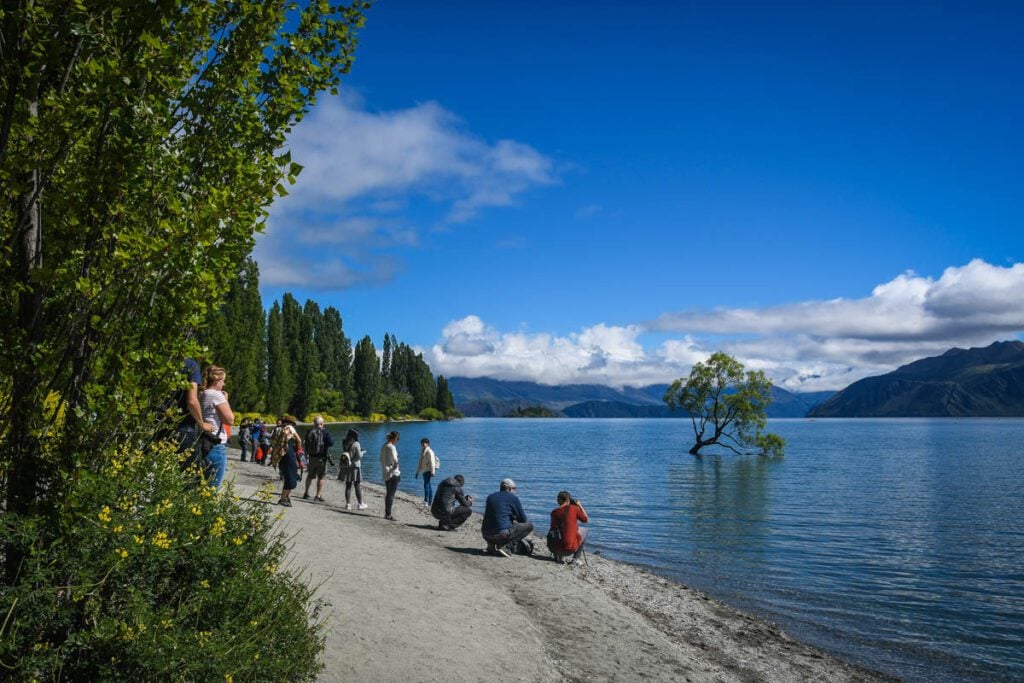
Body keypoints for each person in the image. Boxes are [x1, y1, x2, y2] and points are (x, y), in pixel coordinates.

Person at [172, 358, 214, 468]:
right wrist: (201, 423)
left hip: (156, 425)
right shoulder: (190, 364)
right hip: (183, 427)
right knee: (190, 476)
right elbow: (191, 400)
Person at [199, 365, 235, 489]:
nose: (224, 384)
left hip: (202, 441)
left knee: (200, 484)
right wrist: (226, 400)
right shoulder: (216, 395)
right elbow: (230, 420)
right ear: (216, 380)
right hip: (216, 443)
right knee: (212, 487)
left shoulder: (201, 393)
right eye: (223, 381)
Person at [481, 478, 533, 557]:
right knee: (529, 526)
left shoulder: (490, 497)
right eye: (514, 489)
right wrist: (513, 517)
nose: (515, 491)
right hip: (500, 535)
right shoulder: (513, 498)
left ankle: (491, 545)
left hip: (486, 534)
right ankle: (506, 547)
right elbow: (523, 519)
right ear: (509, 489)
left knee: (497, 520)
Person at [547, 491, 590, 564]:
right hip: (568, 550)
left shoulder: (554, 512)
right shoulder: (574, 509)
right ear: (568, 500)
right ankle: (575, 559)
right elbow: (586, 520)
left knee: (560, 531)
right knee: (585, 530)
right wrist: (579, 505)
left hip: (552, 548)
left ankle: (558, 556)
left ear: (558, 500)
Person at [302, 416, 334, 502]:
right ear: (322, 424)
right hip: (322, 459)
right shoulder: (326, 432)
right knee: (321, 477)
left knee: (310, 475)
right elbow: (331, 443)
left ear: (314, 424)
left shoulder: (310, 432)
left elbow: (306, 445)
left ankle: (306, 493)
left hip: (311, 458)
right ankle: (318, 495)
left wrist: (306, 457)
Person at [273, 415, 302, 506]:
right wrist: (299, 449)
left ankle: (286, 497)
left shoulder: (277, 429)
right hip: (289, 453)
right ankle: (283, 499)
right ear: (291, 423)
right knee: (291, 476)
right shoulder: (289, 428)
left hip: (281, 455)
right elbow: (299, 440)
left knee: (287, 476)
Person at [340, 428, 368, 511]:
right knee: (357, 485)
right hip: (355, 466)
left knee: (348, 485)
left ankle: (348, 504)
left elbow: (348, 453)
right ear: (355, 435)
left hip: (346, 465)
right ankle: (360, 504)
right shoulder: (356, 444)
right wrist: (362, 452)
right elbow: (358, 456)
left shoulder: (344, 442)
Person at [379, 430, 401, 521]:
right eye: (397, 439)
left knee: (388, 493)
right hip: (393, 473)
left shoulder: (384, 446)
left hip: (385, 472)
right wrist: (396, 464)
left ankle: (387, 513)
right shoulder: (392, 447)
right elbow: (395, 460)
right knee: (391, 495)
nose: (397, 440)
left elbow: (380, 459)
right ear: (395, 438)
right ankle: (388, 514)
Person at [415, 437, 440, 504]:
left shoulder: (429, 451)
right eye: (422, 443)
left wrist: (433, 472)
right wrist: (417, 472)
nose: (423, 444)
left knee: (426, 485)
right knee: (428, 485)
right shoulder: (423, 450)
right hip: (424, 470)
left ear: (428, 444)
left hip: (428, 470)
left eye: (424, 443)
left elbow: (432, 462)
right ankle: (429, 501)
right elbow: (420, 462)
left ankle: (427, 501)